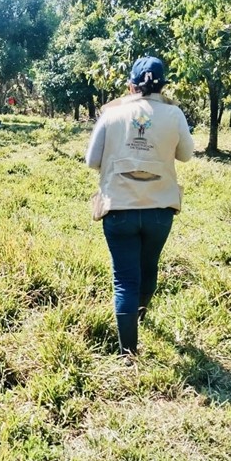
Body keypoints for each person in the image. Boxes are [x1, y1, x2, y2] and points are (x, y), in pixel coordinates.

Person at [85, 56, 194, 359]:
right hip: (160, 210)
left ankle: (128, 352)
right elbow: (185, 155)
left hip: (119, 209)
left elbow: (92, 161)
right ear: (163, 85)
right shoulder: (174, 114)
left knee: (125, 279)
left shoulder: (111, 115)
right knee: (148, 269)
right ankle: (138, 317)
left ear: (131, 85)